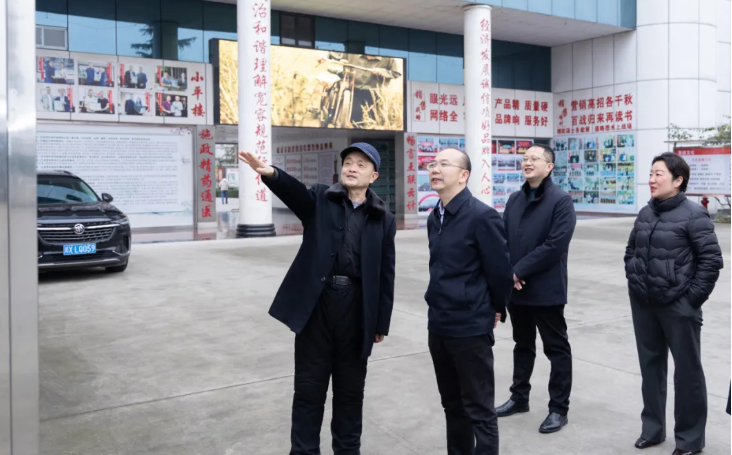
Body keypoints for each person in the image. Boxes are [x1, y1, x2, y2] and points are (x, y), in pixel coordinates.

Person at [238, 143, 396, 455]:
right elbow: (295, 193)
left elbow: (386, 273)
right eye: (348, 162)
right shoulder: (321, 199)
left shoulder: (383, 218)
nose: (351, 168)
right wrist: (271, 174)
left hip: (356, 311)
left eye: (360, 164)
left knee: (350, 394)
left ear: (373, 176)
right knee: (309, 390)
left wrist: (381, 322)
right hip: (317, 307)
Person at [624, 152, 723, 455]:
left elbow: (711, 261)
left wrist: (691, 299)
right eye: (651, 173)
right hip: (644, 303)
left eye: (659, 174)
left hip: (679, 305)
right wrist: (634, 279)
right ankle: (652, 430)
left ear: (678, 180)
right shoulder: (645, 213)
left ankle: (689, 440)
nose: (652, 180)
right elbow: (631, 251)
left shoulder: (695, 215)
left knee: (687, 372)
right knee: (650, 368)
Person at [424, 148, 514, 455]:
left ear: (464, 175)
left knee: (479, 408)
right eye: (433, 164)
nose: (435, 169)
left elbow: (500, 271)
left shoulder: (481, 216)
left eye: (444, 164)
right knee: (452, 405)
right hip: (439, 324)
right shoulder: (435, 217)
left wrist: (496, 308)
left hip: (470, 327)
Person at [496, 144, 577, 434]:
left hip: (546, 288)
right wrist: (508, 271)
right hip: (516, 289)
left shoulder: (561, 201)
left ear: (549, 166)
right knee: (522, 345)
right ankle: (519, 398)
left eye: (534, 159)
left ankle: (558, 409)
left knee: (556, 348)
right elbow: (502, 239)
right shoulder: (515, 199)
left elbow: (555, 246)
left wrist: (518, 270)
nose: (527, 163)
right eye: (525, 158)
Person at [319, 52, 401, 127]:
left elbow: (396, 73)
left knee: (373, 120)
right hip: (354, 89)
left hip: (374, 92)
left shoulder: (388, 58)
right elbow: (331, 53)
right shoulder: (352, 52)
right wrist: (322, 56)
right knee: (355, 116)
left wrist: (382, 72)